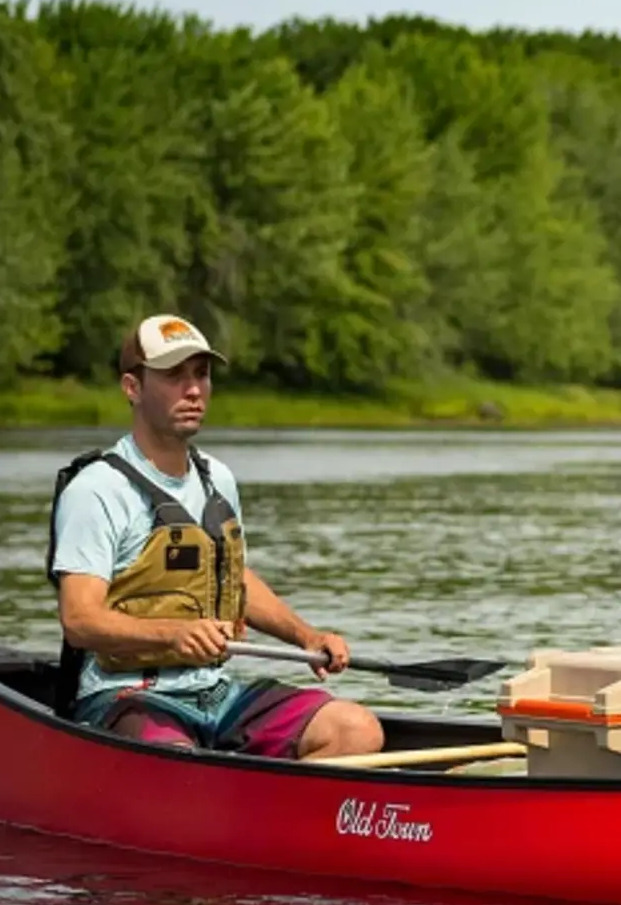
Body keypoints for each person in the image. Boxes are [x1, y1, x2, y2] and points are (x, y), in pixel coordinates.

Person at [47, 314, 383, 761]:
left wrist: (306, 636)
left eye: (201, 374)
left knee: (356, 731)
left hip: (216, 692)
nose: (193, 390)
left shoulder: (217, 479)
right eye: (172, 375)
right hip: (126, 696)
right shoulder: (96, 490)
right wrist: (172, 634)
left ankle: (269, 821)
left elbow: (234, 578)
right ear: (132, 387)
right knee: (180, 765)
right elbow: (79, 619)